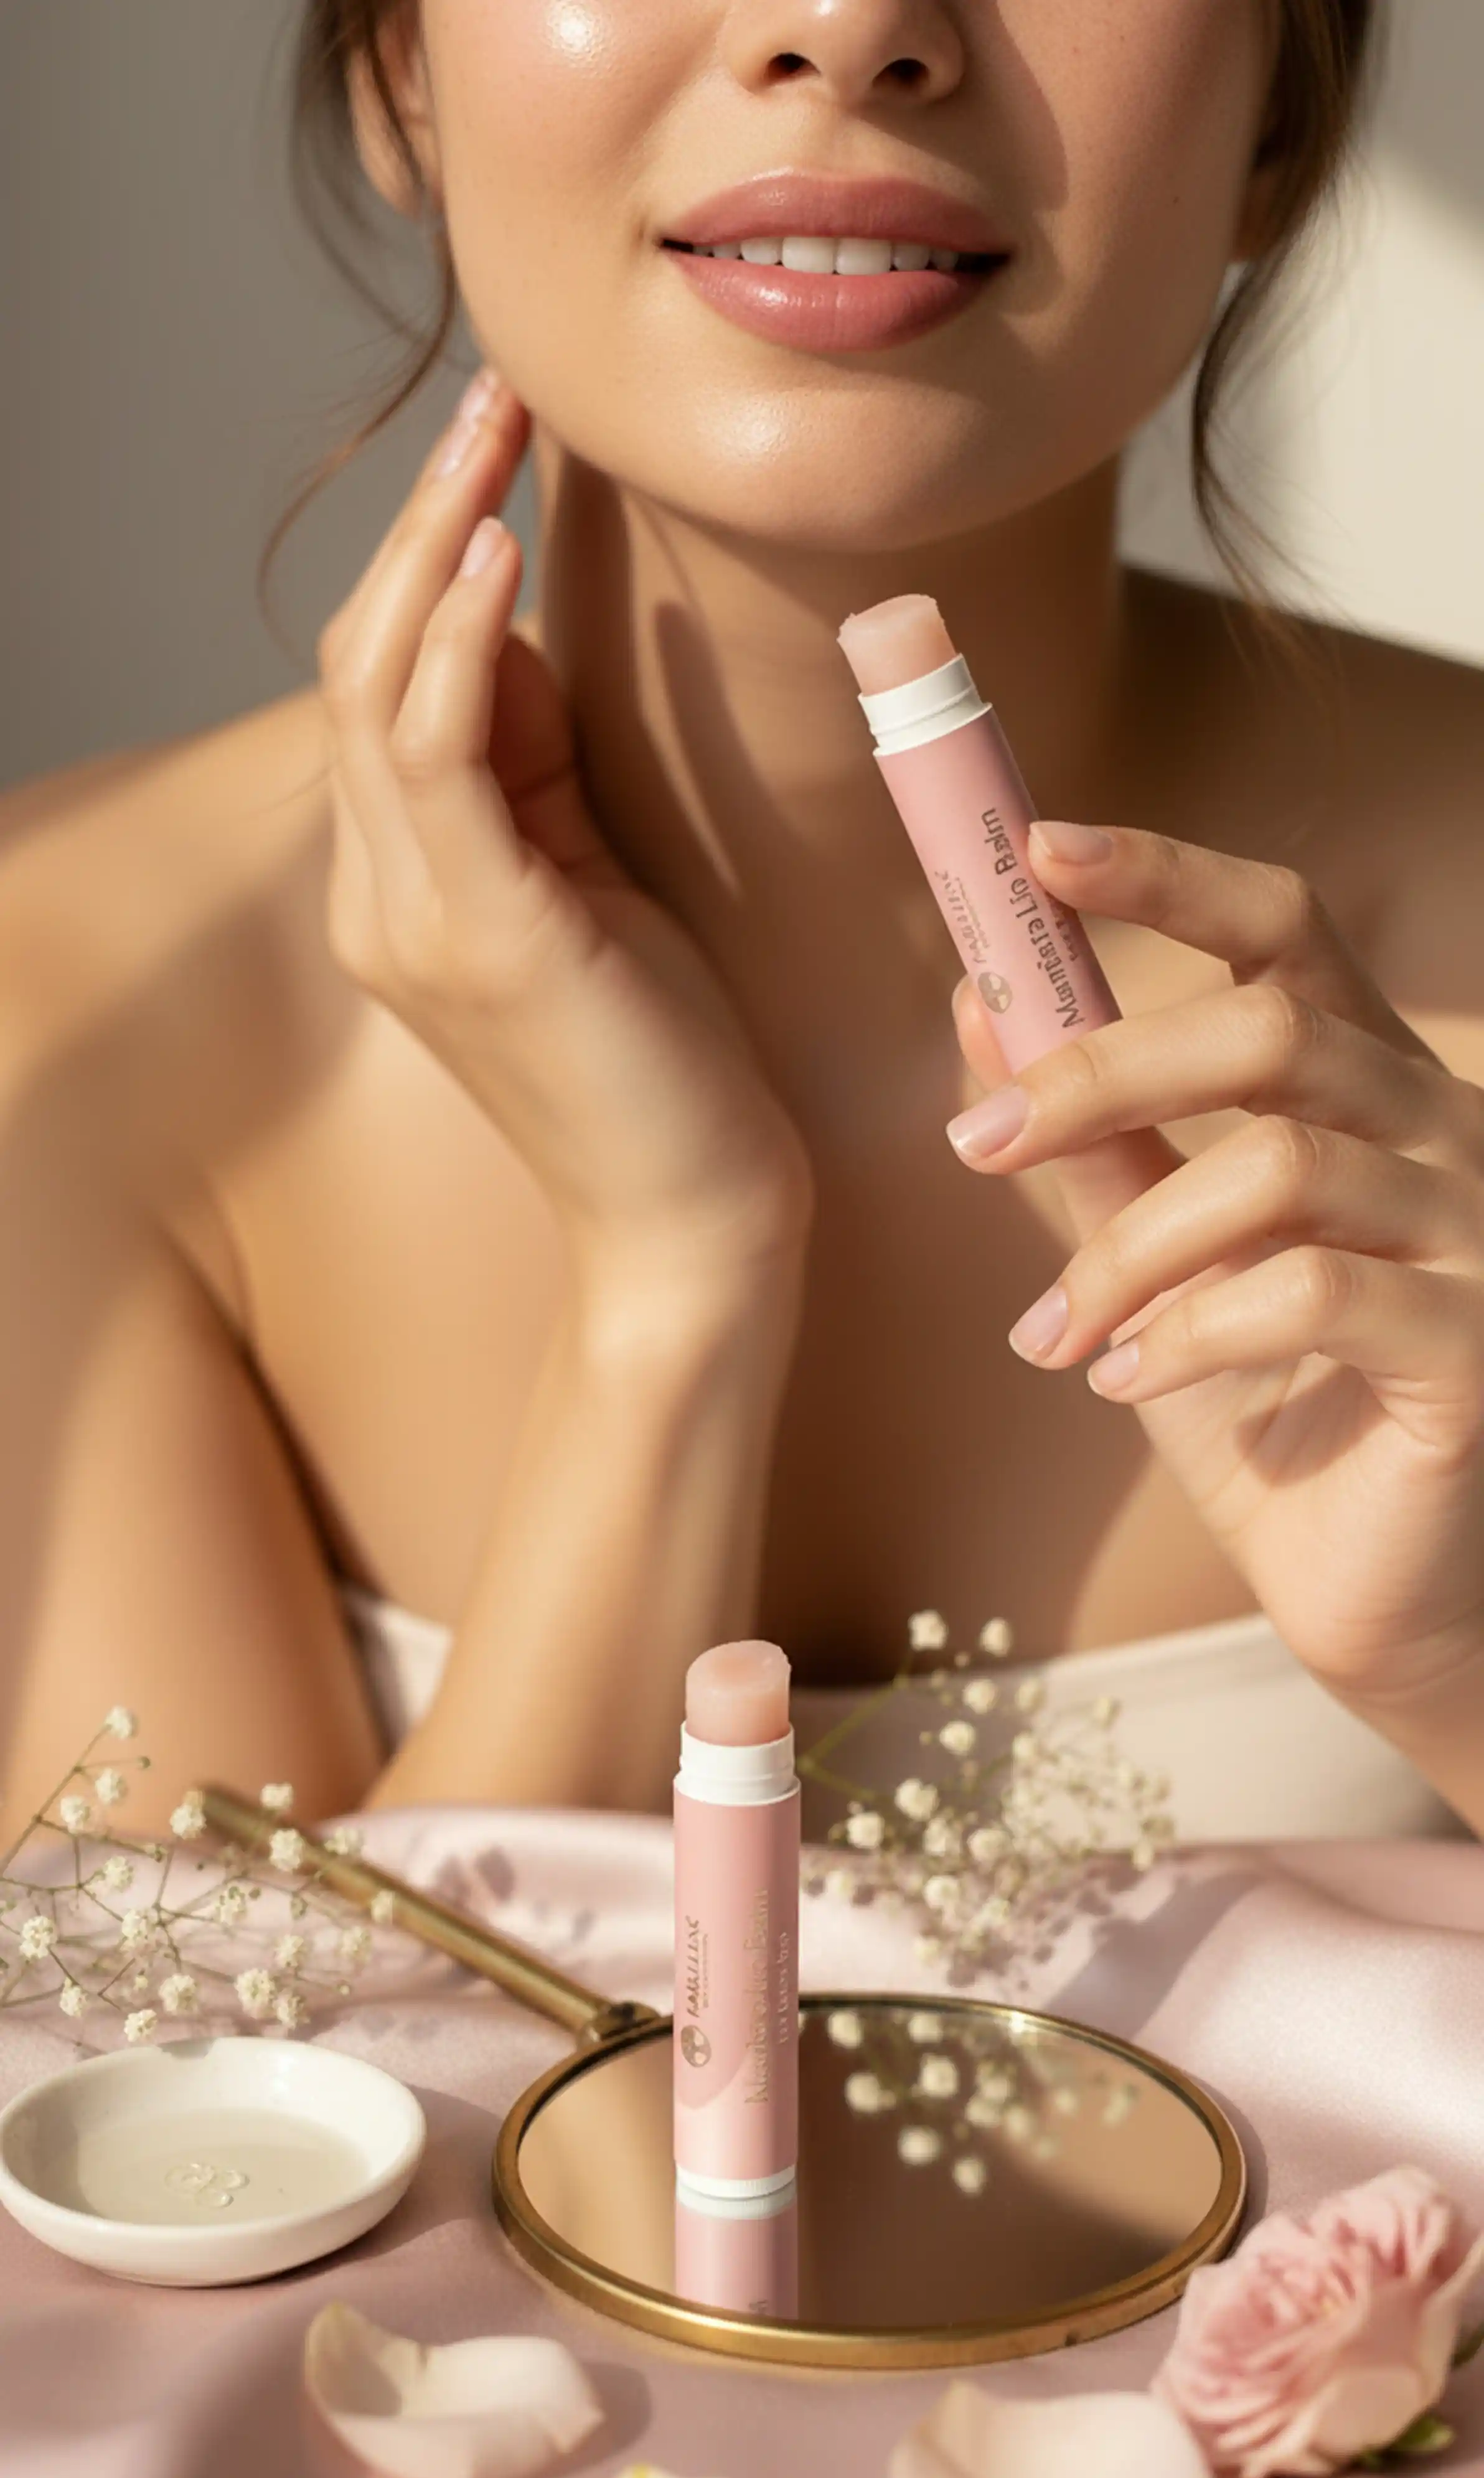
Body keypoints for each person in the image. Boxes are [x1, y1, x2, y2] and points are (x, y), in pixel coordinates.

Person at [2, 0, 1482, 1850]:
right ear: (401, 66)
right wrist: (670, 1291)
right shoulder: (56, 1010)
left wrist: (1459, 1663)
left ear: (1288, 101)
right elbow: (224, 2119)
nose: (849, 26)